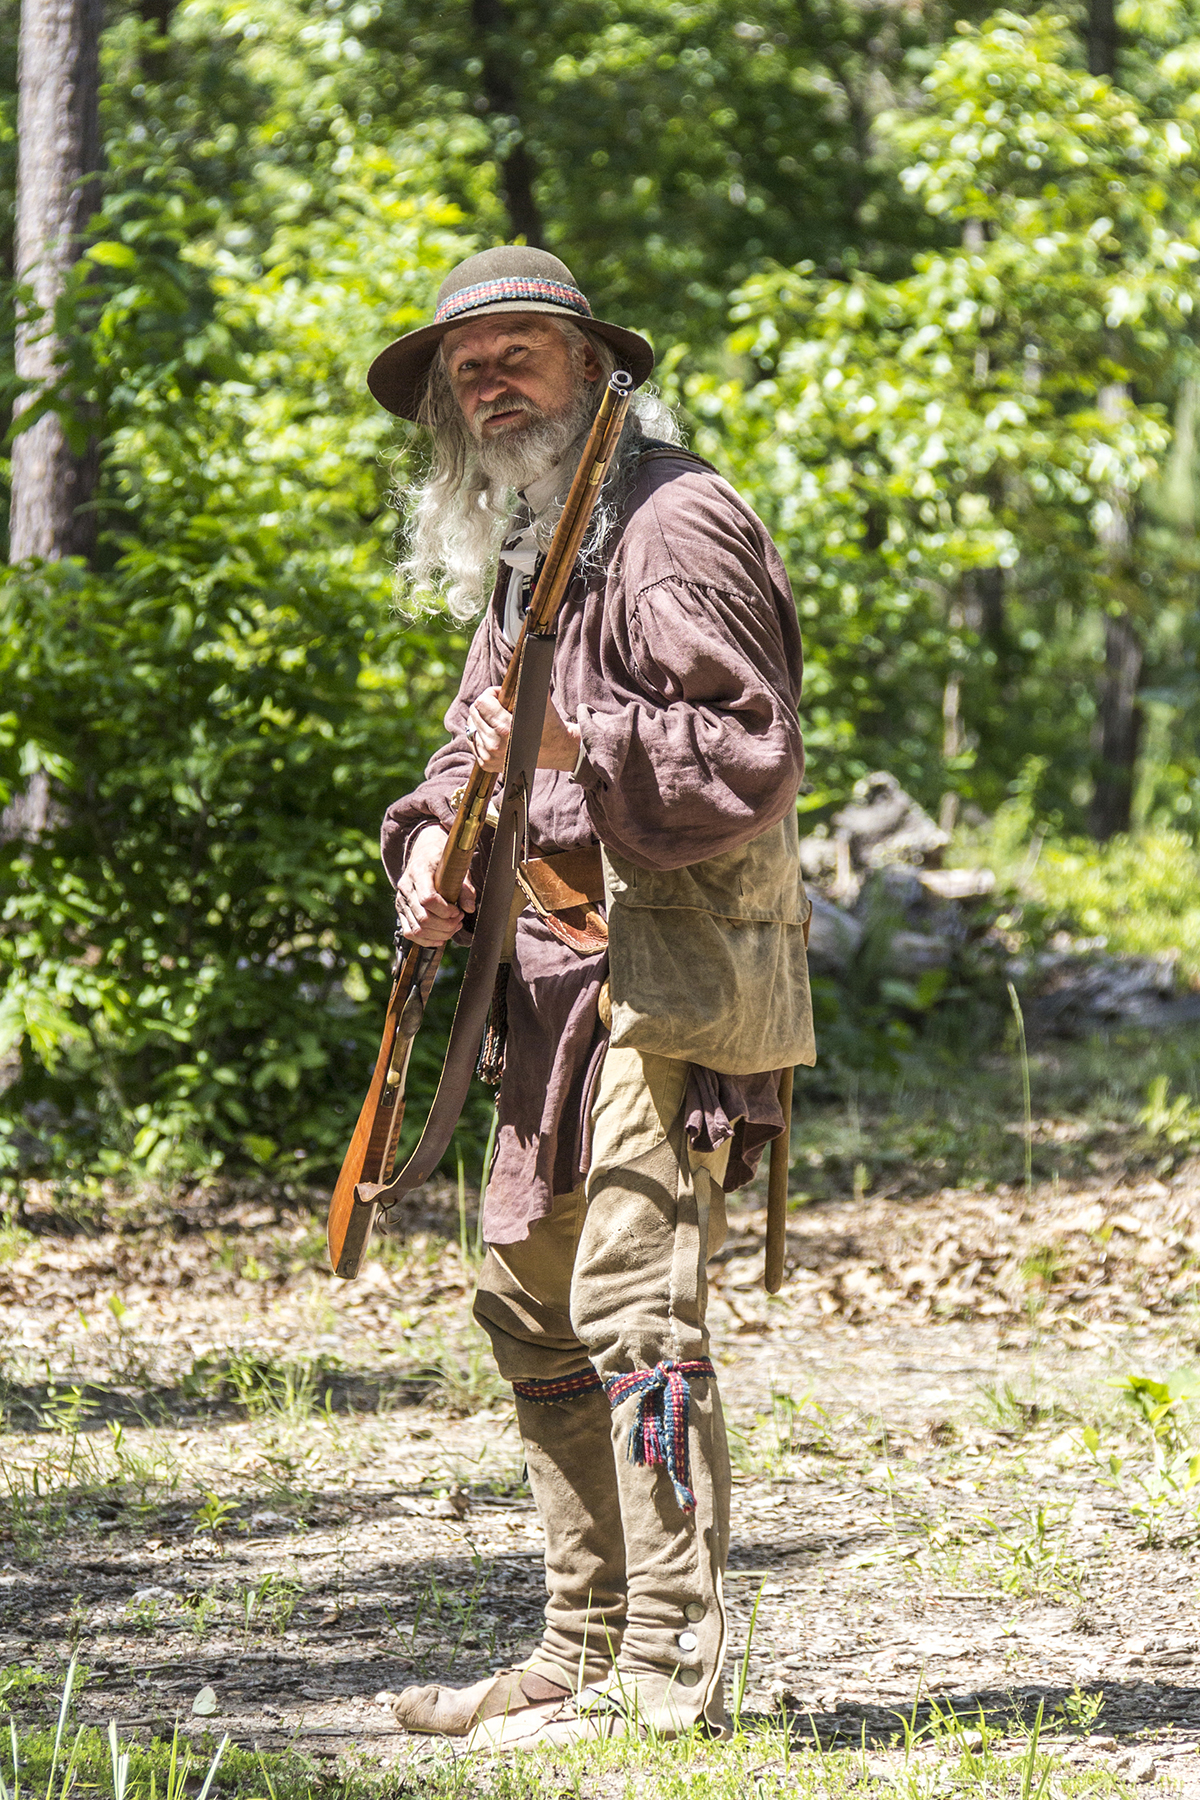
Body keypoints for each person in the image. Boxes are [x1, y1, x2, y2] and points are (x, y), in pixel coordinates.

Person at [366, 245, 814, 1750]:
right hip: (547, 983)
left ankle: (670, 1675)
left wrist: (577, 742)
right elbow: (478, 746)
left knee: (634, 1312)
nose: (491, 382)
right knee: (526, 1306)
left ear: (593, 370)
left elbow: (746, 753)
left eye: (519, 354)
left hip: (661, 974)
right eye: (467, 365)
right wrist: (432, 839)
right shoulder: (537, 536)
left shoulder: (673, 524)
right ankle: (582, 1643)